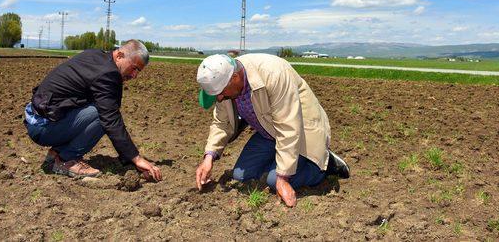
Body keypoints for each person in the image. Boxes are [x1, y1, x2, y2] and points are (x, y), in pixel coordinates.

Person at [195, 53, 349, 207]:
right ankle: (279, 161)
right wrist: (209, 157)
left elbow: (288, 125)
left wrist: (283, 178)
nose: (220, 98)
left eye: (221, 93)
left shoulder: (274, 74)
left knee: (274, 180)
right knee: (241, 176)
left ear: (235, 77)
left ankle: (322, 165)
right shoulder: (224, 85)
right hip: (268, 132)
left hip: (301, 130)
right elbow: (221, 122)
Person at [24, 39, 162, 181]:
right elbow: (110, 118)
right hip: (43, 127)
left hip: (41, 118)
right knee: (101, 115)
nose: (134, 76)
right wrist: (136, 158)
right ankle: (66, 160)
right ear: (120, 55)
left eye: (138, 71)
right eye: (134, 68)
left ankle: (56, 152)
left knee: (99, 108)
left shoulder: (96, 56)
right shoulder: (107, 73)